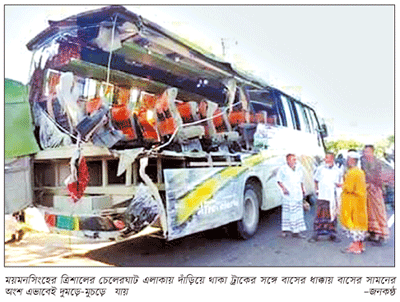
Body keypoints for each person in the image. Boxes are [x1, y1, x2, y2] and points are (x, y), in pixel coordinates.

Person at [309, 152, 342, 243]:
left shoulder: (338, 171)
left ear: (332, 159)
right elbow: (316, 180)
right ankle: (316, 234)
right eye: (325, 158)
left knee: (332, 216)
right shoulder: (320, 169)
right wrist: (317, 190)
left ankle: (332, 234)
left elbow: (340, 184)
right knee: (320, 215)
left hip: (332, 197)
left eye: (328, 158)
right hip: (322, 196)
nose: (325, 159)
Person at [340, 151, 368, 254]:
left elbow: (349, 188)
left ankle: (356, 246)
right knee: (359, 222)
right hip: (359, 201)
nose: (347, 161)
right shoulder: (360, 172)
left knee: (353, 223)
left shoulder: (352, 172)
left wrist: (341, 186)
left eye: (348, 159)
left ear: (351, 160)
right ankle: (360, 245)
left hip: (352, 202)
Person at [361, 145, 389, 245]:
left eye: (368, 151)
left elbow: (379, 177)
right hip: (367, 190)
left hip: (375, 190)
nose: (366, 153)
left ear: (372, 152)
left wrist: (373, 185)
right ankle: (372, 233)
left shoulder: (377, 162)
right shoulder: (363, 162)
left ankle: (381, 235)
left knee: (378, 212)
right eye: (365, 152)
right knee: (369, 212)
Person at [276, 153, 307, 238]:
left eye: (295, 159)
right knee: (287, 212)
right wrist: (283, 189)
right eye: (293, 159)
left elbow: (301, 180)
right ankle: (285, 230)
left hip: (297, 193)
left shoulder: (298, 168)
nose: (295, 161)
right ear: (288, 160)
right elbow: (279, 180)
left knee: (297, 212)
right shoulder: (283, 169)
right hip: (288, 194)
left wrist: (303, 189)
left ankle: (296, 231)